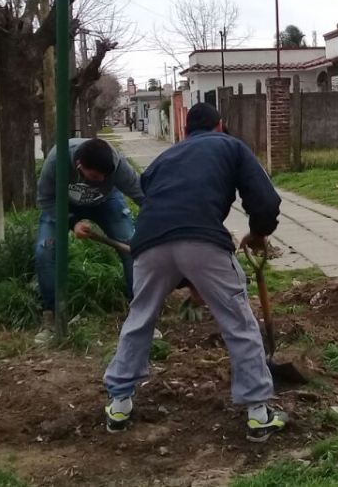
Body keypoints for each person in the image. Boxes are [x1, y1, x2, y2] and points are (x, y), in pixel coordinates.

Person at [102, 102, 288, 442]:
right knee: (238, 322)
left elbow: (160, 204)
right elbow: (265, 199)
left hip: (148, 243)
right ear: (220, 126)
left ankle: (119, 403)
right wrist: (259, 232)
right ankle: (259, 414)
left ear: (186, 131)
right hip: (202, 239)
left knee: (139, 318)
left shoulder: (164, 159)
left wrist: (187, 278)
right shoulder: (230, 145)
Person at [34, 138, 146, 345]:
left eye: (105, 175)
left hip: (106, 202)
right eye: (95, 176)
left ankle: (141, 316)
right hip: (61, 203)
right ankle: (52, 317)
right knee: (45, 251)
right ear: (79, 166)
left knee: (133, 247)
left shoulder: (117, 164)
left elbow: (143, 196)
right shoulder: (57, 160)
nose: (102, 178)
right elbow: (45, 199)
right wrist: (73, 222)